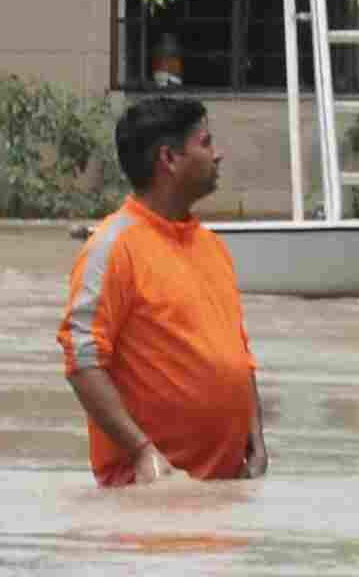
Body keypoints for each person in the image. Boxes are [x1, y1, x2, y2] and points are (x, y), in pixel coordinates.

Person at [57, 97, 267, 484]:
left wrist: (256, 437)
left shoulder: (212, 246)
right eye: (205, 143)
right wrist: (142, 453)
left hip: (226, 489)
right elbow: (82, 361)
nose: (218, 155)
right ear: (169, 159)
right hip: (151, 492)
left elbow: (239, 353)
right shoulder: (112, 247)